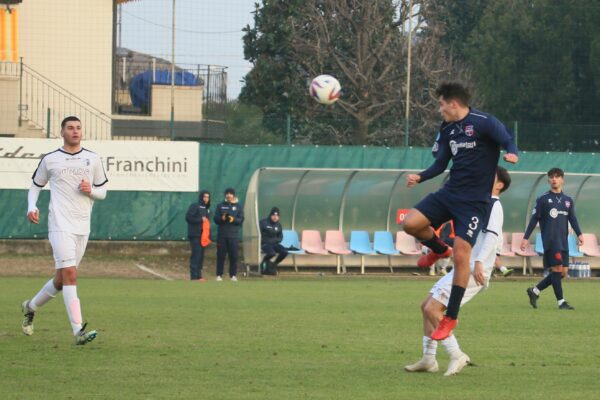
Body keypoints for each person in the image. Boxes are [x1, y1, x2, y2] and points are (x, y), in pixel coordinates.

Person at [403, 82, 518, 341]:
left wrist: (511, 153)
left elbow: (508, 139)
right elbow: (441, 163)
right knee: (410, 224)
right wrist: (420, 177)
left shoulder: (484, 122)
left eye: (441, 103)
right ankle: (440, 249)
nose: (439, 108)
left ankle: (451, 317)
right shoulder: (447, 129)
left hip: (474, 202)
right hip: (450, 193)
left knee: (463, 254)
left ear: (453, 103)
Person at [405, 166, 511, 376]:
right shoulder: (480, 202)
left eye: (491, 176)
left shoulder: (493, 205)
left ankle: (457, 354)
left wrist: (480, 262)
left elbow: (492, 236)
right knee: (425, 305)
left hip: (474, 270)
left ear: (499, 185)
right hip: (466, 268)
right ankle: (428, 359)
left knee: (432, 309)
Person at [22, 116, 107, 345]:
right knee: (71, 274)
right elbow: (35, 186)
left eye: (78, 128)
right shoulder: (50, 159)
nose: (75, 131)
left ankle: (30, 307)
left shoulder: (93, 158)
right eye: (70, 128)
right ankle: (78, 331)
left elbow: (103, 191)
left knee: (61, 280)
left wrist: (91, 191)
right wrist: (32, 206)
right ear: (62, 132)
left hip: (82, 226)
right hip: (59, 225)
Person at [522, 168, 583, 310]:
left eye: (557, 177)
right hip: (550, 240)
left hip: (564, 241)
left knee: (563, 273)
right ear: (548, 180)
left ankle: (535, 291)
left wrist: (579, 234)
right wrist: (526, 238)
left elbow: (572, 218)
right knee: (556, 270)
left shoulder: (568, 200)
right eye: (551, 177)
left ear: (562, 179)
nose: (554, 179)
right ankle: (561, 302)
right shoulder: (543, 199)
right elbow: (534, 219)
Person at [213, 188, 244, 281]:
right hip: (222, 235)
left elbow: (241, 219)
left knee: (234, 256)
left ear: (234, 195)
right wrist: (222, 218)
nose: (229, 195)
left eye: (231, 194)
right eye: (227, 194)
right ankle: (219, 275)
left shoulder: (238, 206)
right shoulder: (220, 206)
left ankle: (233, 275)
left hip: (233, 236)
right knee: (220, 255)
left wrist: (233, 219)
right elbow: (216, 219)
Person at [185, 190, 211, 281]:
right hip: (195, 235)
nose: (206, 198)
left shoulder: (207, 209)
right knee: (196, 255)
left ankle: (199, 276)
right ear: (201, 197)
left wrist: (208, 236)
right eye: (204, 196)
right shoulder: (195, 206)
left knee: (201, 256)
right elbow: (188, 218)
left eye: (208, 197)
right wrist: (200, 219)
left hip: (203, 237)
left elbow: (207, 224)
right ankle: (194, 277)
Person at [259, 207, 288, 275]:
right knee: (272, 253)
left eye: (277, 216)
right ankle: (263, 262)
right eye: (274, 215)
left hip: (275, 244)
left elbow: (280, 237)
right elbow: (258, 234)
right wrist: (264, 241)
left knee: (284, 252)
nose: (275, 217)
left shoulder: (278, 225)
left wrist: (275, 241)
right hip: (265, 244)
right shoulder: (263, 223)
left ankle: (274, 264)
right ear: (270, 215)